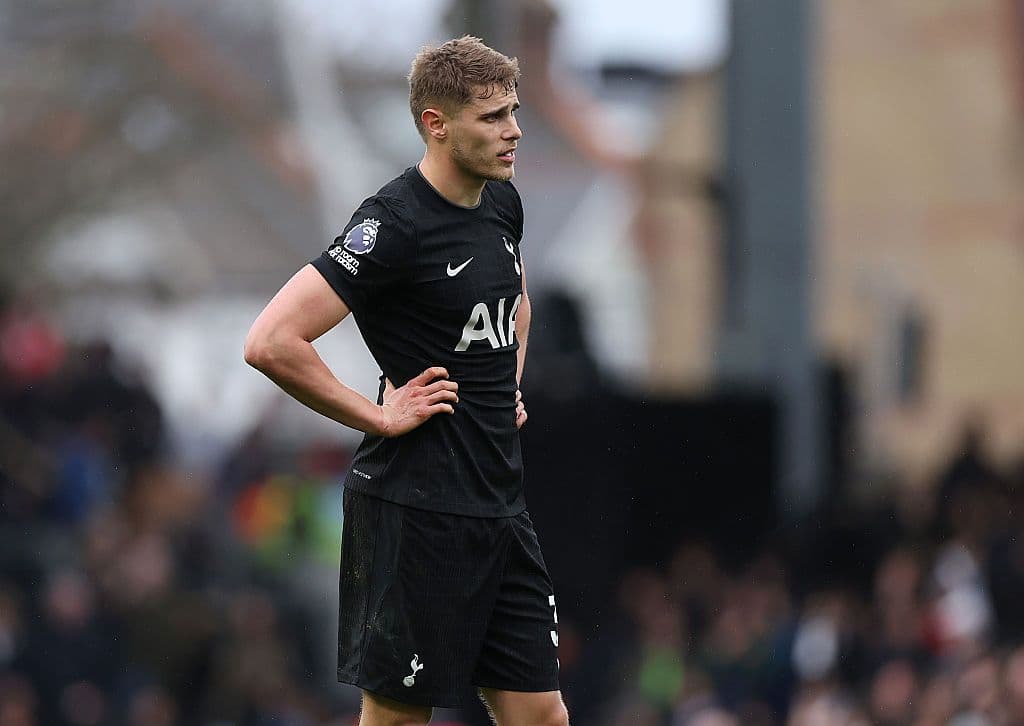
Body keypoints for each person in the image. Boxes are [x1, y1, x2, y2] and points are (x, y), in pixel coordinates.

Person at [244, 36, 567, 726]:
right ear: (436, 124)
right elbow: (272, 341)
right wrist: (377, 416)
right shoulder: (392, 223)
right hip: (414, 512)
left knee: (541, 713)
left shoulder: (501, 204)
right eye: (492, 117)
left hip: (500, 507)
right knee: (398, 718)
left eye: (513, 112)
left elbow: (516, 295)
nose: (513, 131)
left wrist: (503, 384)